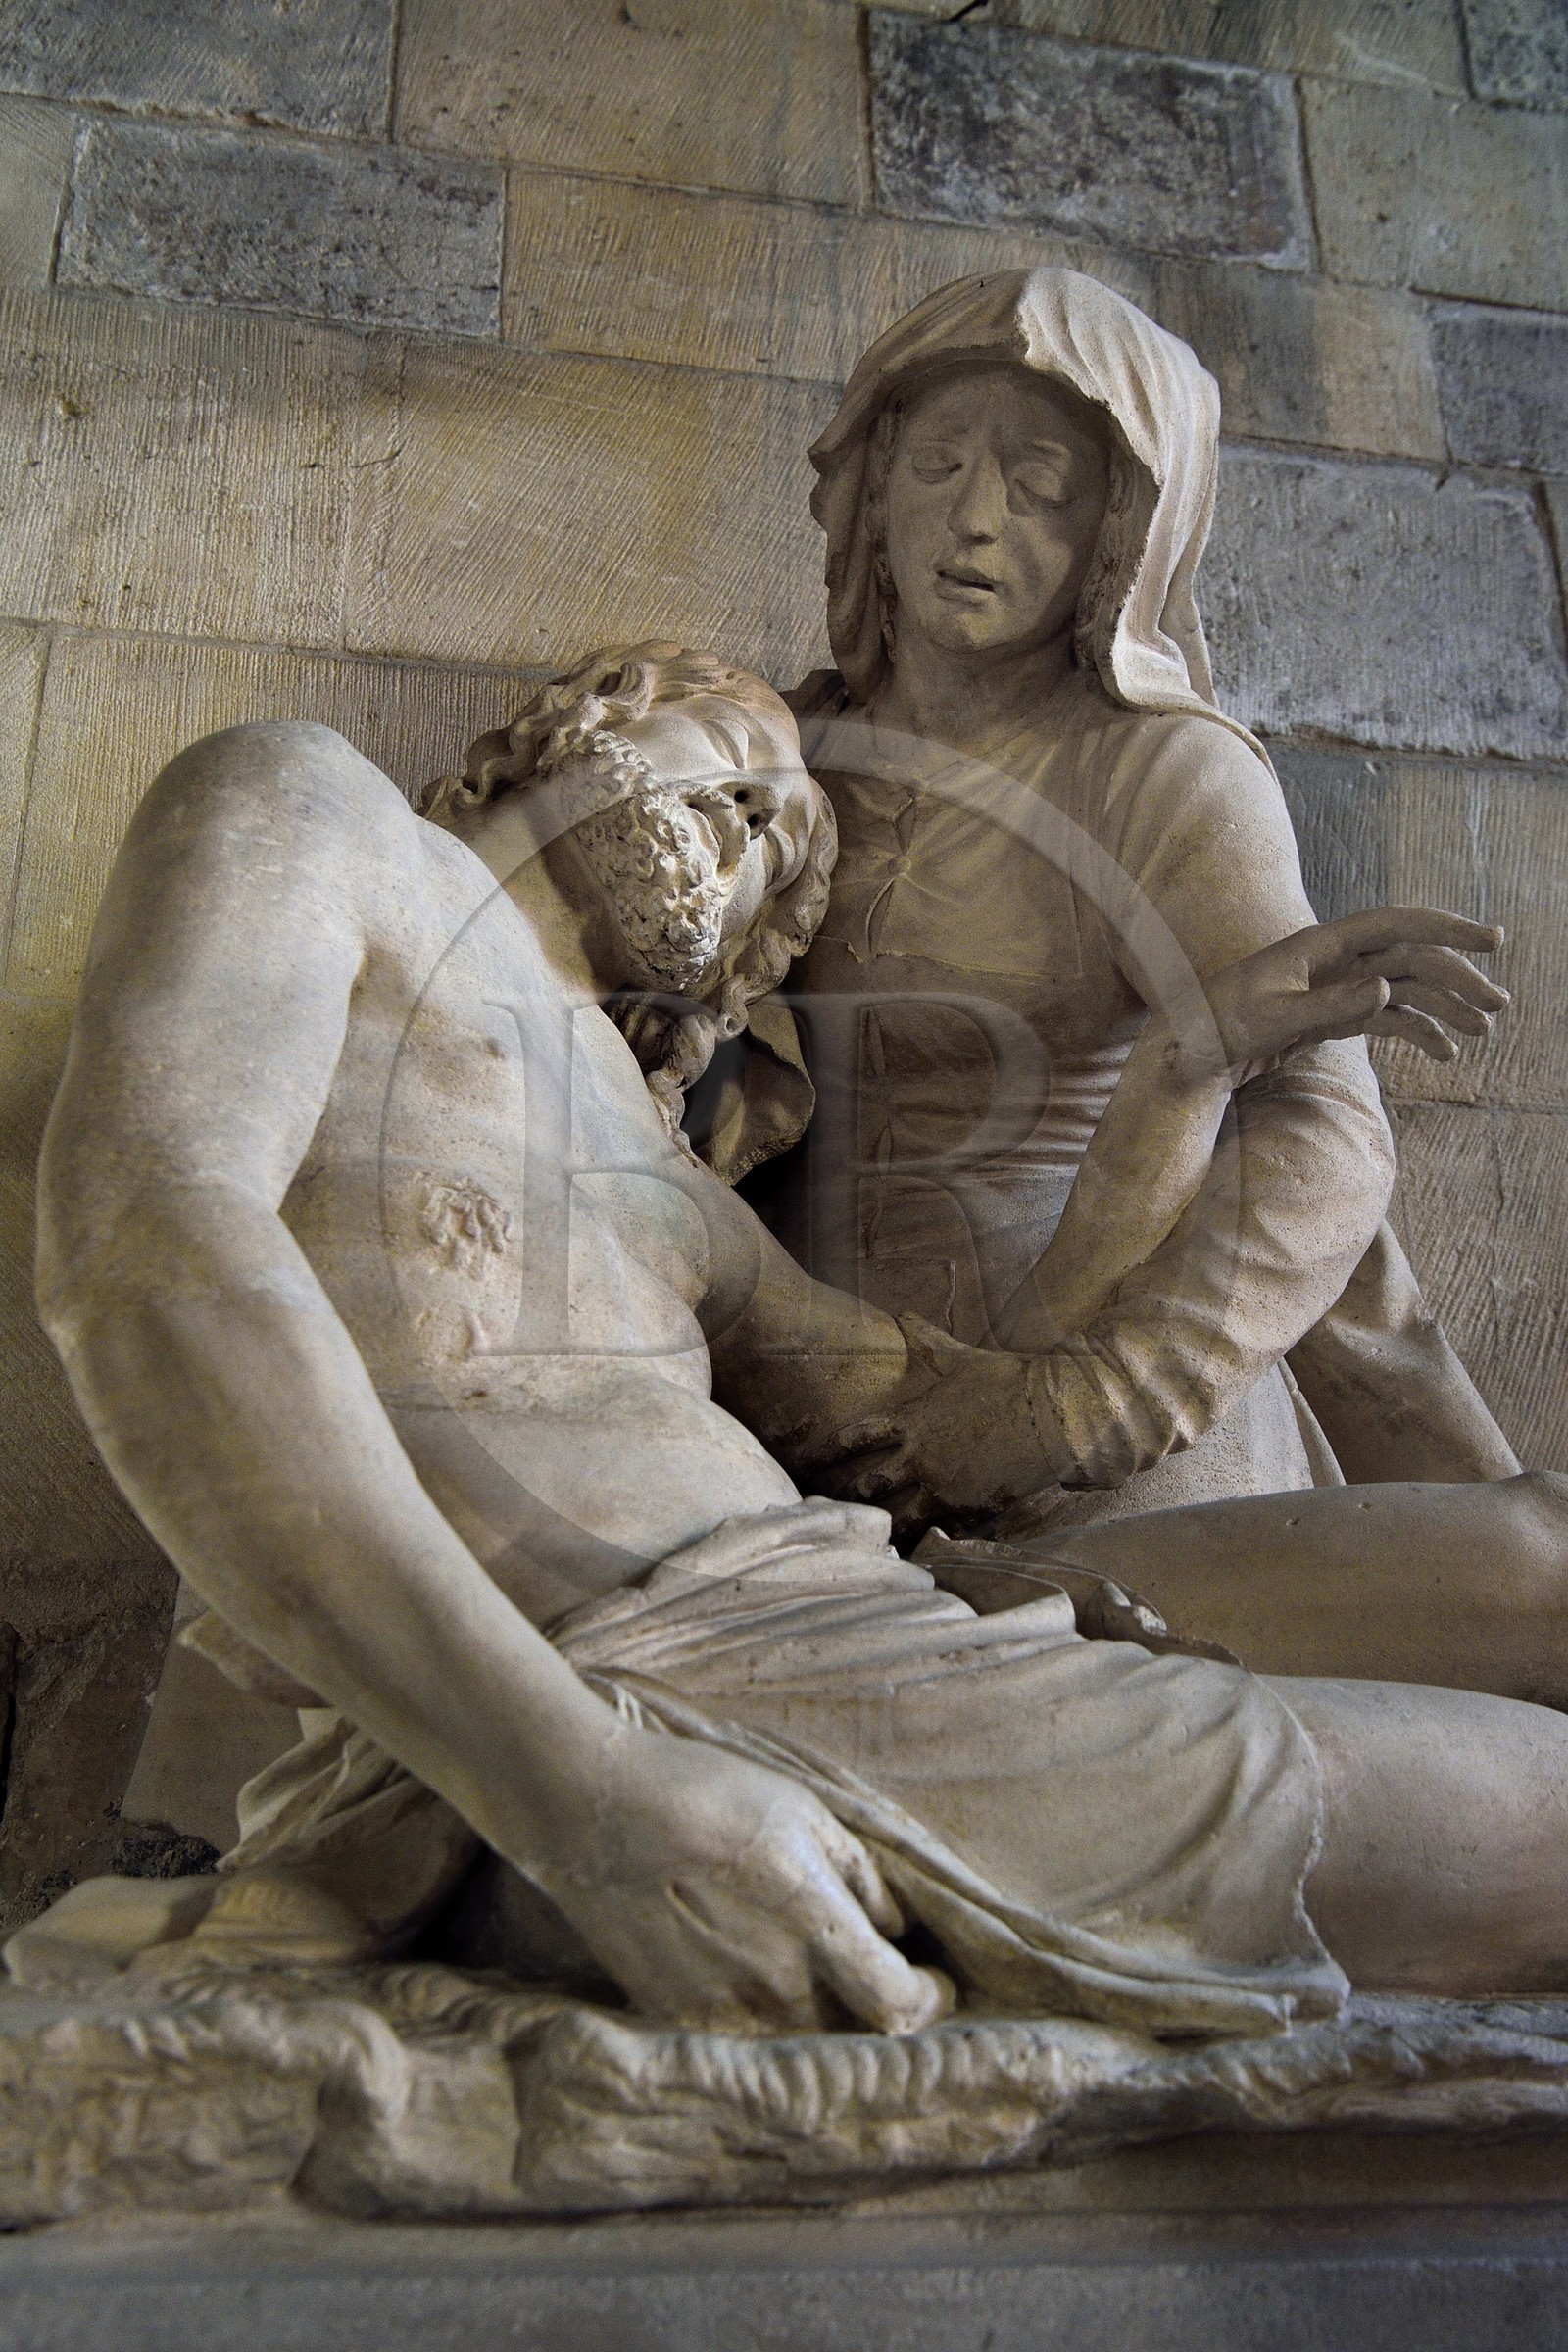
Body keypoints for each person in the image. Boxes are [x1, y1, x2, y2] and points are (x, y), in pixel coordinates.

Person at [18, 642, 1565, 2035]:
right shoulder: (323, 818)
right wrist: (583, 1796)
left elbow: (980, 1431)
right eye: (732, 751)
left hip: (866, 1609)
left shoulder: (670, 1182)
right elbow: (149, 1243)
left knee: (1541, 1555)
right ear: (575, 721)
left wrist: (1178, 1079)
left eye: (786, 849)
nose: (762, 818)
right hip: (651, 1677)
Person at [751, 266, 1517, 1536]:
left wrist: (1091, 1401)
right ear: (873, 488)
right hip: (803, 1387)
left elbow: (1317, 1131)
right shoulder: (780, 748)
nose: (975, 520)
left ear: (1121, 531)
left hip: (1092, 1393)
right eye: (939, 465)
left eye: (1040, 487)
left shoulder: (1164, 772)